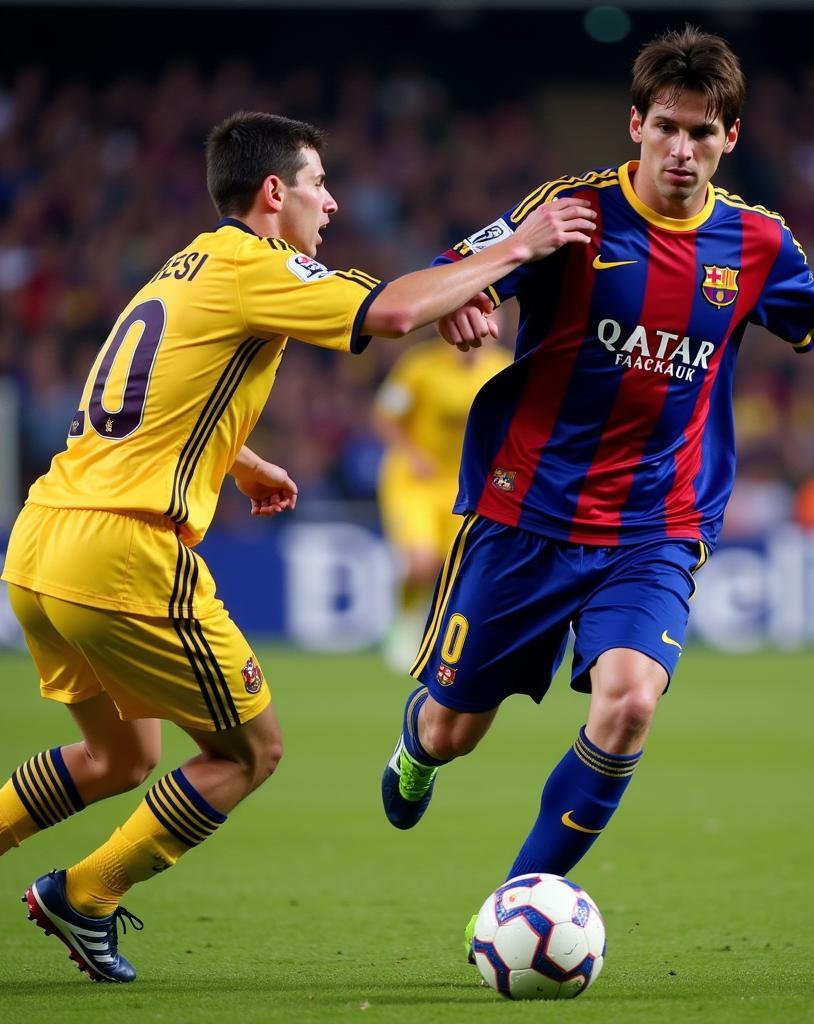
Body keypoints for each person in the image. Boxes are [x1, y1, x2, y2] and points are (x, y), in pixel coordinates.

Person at [378, 26, 814, 953]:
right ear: (635, 125)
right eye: (667, 128)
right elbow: (441, 278)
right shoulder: (571, 212)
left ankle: (526, 901)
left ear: (731, 139)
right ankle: (417, 747)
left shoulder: (755, 242)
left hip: (657, 524)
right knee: (450, 729)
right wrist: (467, 294)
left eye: (703, 134)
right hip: (524, 512)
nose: (683, 150)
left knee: (630, 701)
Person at [0, 110, 596, 983]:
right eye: (318, 184)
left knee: (119, 756)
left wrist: (236, 459)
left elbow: (137, 389)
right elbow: (391, 312)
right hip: (124, 553)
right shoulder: (259, 263)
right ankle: (84, 895)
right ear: (274, 192)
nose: (333, 201)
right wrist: (519, 247)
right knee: (251, 752)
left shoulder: (179, 268)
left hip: (41, 539)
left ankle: (76, 892)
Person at [374, 336, 511, 670]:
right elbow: (384, 416)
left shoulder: (505, 368)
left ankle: (449, 639)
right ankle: (404, 621)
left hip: (467, 486)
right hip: (415, 480)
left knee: (460, 570)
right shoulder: (419, 366)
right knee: (422, 561)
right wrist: (412, 454)